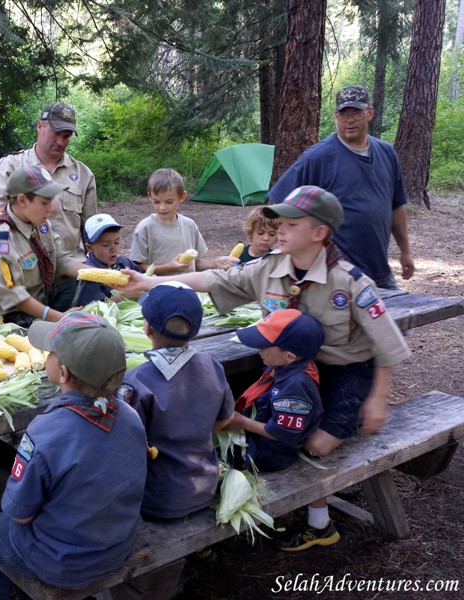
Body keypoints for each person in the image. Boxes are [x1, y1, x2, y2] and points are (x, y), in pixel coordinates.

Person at [117, 185, 411, 550]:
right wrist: (153, 281)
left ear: (319, 233)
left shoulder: (350, 282)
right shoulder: (269, 267)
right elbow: (213, 280)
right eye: (279, 222)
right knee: (254, 419)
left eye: (291, 223)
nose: (279, 229)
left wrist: (379, 398)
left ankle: (322, 503)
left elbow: (387, 343)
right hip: (287, 370)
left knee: (318, 446)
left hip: (345, 370)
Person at [0, 312, 147, 599]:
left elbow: (19, 516)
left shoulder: (46, 431)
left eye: (51, 352)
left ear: (63, 373)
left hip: (62, 562)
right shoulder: (131, 417)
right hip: (117, 546)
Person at [268, 85, 414, 290]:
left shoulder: (386, 153)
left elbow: (396, 206)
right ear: (336, 116)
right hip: (334, 275)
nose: (349, 120)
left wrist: (405, 252)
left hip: (379, 272)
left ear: (369, 113)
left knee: (392, 321)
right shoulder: (318, 157)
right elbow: (280, 204)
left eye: (356, 113)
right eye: (343, 114)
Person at [118, 282, 234, 520]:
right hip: (204, 487)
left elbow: (127, 445)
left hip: (157, 498)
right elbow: (225, 418)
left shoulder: (137, 380)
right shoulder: (213, 366)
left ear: (147, 327)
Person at [0, 103, 97, 310]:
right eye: (56, 133)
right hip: (22, 287)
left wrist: (100, 272)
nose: (61, 141)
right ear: (40, 127)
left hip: (67, 274)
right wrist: (26, 211)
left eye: (67, 135)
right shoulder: (12, 167)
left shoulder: (83, 174)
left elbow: (90, 233)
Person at [0, 164, 84, 327]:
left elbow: (60, 259)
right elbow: (13, 293)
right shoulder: (1, 240)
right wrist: (58, 317)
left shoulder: (41, 225)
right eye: (45, 202)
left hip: (40, 302)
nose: (52, 208)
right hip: (11, 319)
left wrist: (97, 274)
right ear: (22, 200)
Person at [226, 309, 325, 473]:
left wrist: (241, 422)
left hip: (269, 453)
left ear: (290, 356)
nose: (258, 348)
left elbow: (282, 433)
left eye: (264, 345)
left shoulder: (296, 387)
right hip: (260, 437)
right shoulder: (283, 366)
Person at [129, 168, 238, 275]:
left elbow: (195, 264)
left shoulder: (189, 225)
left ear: (182, 197)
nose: (162, 207)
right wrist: (167, 268)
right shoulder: (145, 228)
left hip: (188, 288)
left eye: (169, 202)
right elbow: (138, 267)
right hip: (159, 289)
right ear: (149, 196)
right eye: (156, 202)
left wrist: (215, 262)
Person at [73, 213, 141, 306]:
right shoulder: (89, 275)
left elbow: (141, 279)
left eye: (116, 242)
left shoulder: (124, 262)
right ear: (89, 247)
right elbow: (97, 308)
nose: (113, 248)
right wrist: (125, 295)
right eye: (105, 245)